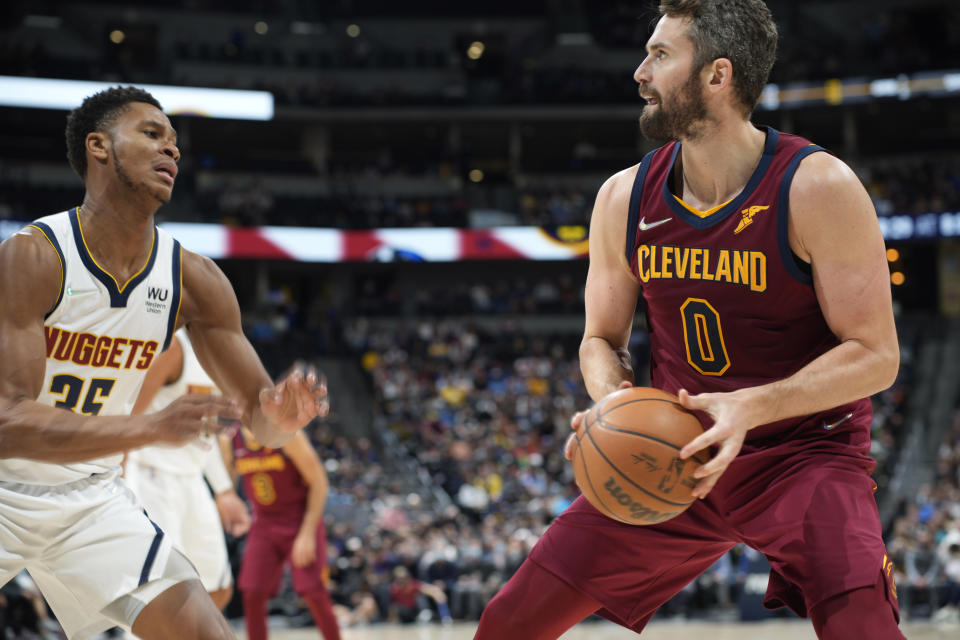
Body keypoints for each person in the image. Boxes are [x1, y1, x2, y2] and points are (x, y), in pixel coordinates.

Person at [475, 1, 903, 639]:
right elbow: (600, 338)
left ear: (717, 76)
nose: (640, 72)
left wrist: (749, 408)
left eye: (661, 55)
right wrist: (611, 403)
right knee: (507, 623)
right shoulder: (623, 196)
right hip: (673, 451)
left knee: (864, 629)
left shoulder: (817, 187)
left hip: (803, 455)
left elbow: (875, 355)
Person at [0, 86, 328, 640]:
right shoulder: (35, 255)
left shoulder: (194, 279)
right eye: (152, 134)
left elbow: (261, 423)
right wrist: (147, 427)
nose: (171, 150)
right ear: (99, 147)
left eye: (174, 141)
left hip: (89, 499)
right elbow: (7, 424)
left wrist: (282, 418)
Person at [125, 328, 252, 615]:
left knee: (218, 588)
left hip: (192, 480)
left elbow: (203, 434)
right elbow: (128, 421)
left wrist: (225, 492)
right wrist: (117, 479)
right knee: (158, 595)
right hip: (151, 477)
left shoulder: (217, 355)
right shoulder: (174, 348)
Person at [227, 426, 341, 640]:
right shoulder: (231, 439)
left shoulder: (286, 435)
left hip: (299, 521)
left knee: (313, 590)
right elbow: (226, 483)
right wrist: (232, 505)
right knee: (252, 592)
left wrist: (307, 534)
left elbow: (319, 482)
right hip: (263, 523)